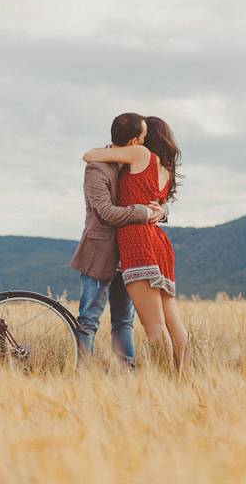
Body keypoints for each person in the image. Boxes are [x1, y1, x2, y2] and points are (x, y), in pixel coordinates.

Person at [83, 116, 187, 372]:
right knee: (174, 322)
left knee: (154, 326)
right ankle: (184, 377)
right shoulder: (166, 168)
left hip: (137, 242)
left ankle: (164, 380)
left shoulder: (140, 154)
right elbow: (158, 204)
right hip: (159, 243)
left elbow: (89, 155)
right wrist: (162, 211)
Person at [70, 112, 167, 366]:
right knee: (89, 319)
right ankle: (84, 375)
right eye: (143, 139)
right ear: (134, 141)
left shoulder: (134, 163)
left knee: (124, 320)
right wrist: (144, 213)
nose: (145, 144)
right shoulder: (97, 168)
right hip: (99, 253)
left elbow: (157, 198)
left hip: (129, 255)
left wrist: (160, 211)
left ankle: (126, 374)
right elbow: (106, 212)